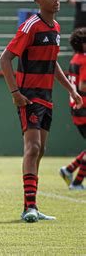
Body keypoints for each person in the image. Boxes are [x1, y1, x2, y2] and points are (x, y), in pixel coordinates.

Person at [0, 0, 83, 222]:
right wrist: (15, 93)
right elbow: (5, 59)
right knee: (33, 148)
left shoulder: (55, 27)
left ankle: (31, 205)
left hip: (46, 97)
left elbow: (52, 62)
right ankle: (29, 208)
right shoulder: (30, 26)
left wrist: (71, 90)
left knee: (40, 149)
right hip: (29, 97)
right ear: (38, 0)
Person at [59, 27, 86, 190]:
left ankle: (69, 171)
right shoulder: (84, 60)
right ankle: (75, 181)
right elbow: (83, 85)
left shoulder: (75, 58)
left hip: (76, 108)